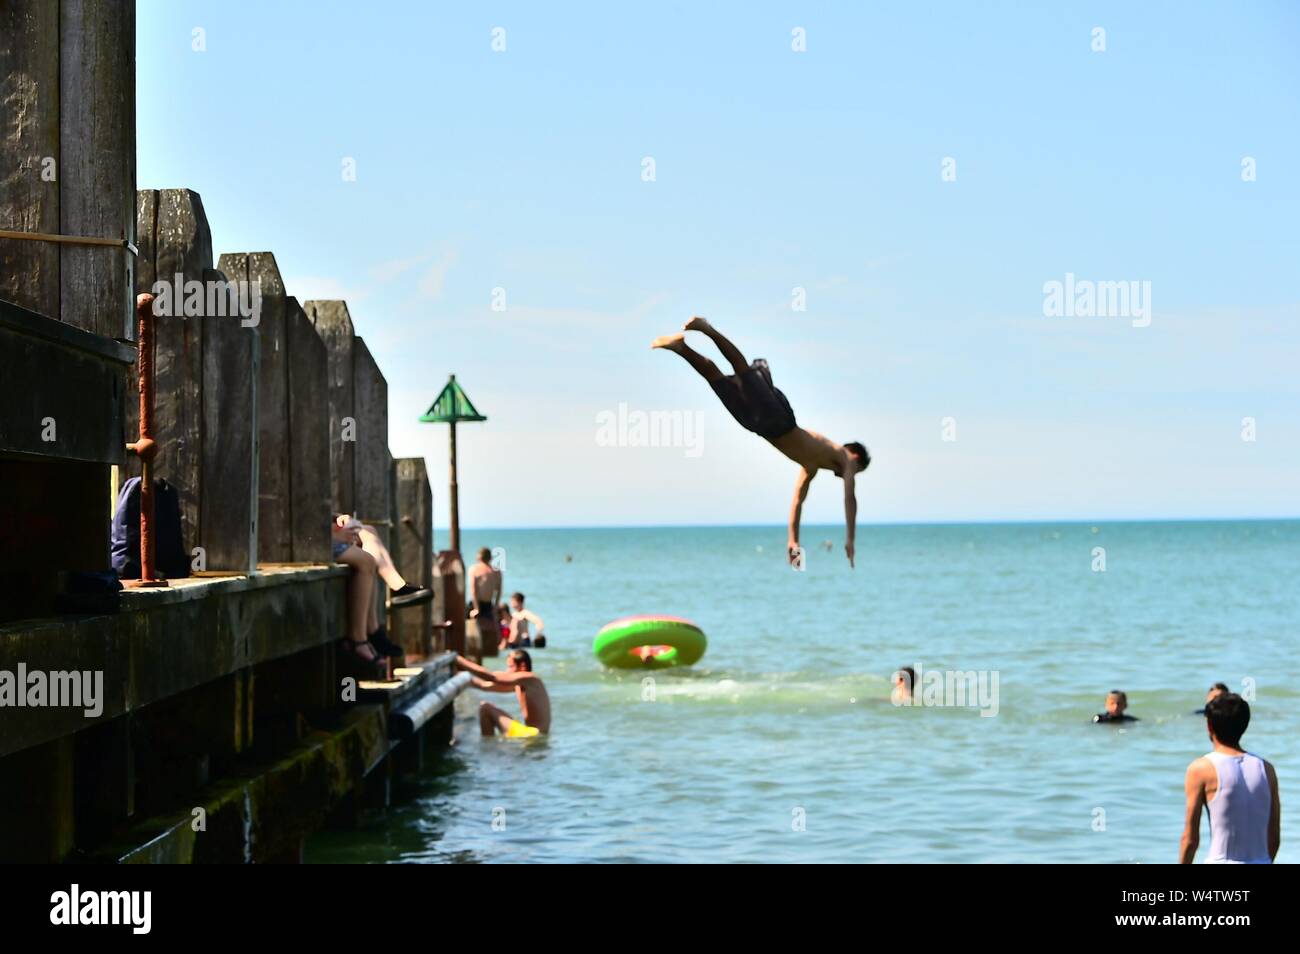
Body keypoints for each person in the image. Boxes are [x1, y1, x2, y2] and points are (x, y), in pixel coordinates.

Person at [653, 316, 869, 567]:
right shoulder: (843, 456)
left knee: (717, 380)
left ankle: (681, 348)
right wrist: (851, 539)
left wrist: (792, 542)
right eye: (857, 470)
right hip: (780, 418)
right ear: (855, 457)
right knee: (743, 370)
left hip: (759, 427)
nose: (850, 476)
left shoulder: (810, 467)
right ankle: (707, 329)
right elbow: (850, 499)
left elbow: (798, 502)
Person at [1179, 693, 1280, 863]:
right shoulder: (1266, 769)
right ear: (1245, 724)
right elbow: (1274, 838)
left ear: (1209, 726)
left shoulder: (1201, 769)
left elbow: (1190, 840)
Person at [334, 514, 432, 608]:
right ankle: (397, 587)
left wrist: (339, 518)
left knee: (369, 531)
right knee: (367, 559)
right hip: (322, 544)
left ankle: (397, 585)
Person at [331, 520, 387, 674]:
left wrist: (339, 521)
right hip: (312, 541)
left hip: (322, 533)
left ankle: (372, 628)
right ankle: (358, 639)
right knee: (367, 560)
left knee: (369, 533)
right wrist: (334, 530)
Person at [455, 650, 551, 738]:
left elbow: (492, 677)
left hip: (534, 734)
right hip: (531, 734)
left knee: (485, 708)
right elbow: (484, 685)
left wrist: (458, 659)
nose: (507, 671)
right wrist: (457, 676)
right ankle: (491, 750)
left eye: (510, 667)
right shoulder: (518, 685)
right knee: (485, 708)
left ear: (522, 666)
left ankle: (489, 751)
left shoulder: (531, 679)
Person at [467, 547, 502, 649]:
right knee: (493, 632)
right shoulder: (496, 571)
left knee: (471, 632)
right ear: (490, 557)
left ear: (479, 557)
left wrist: (476, 608)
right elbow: (499, 591)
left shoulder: (474, 569)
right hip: (488, 604)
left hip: (476, 604)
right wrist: (495, 606)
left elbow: (473, 590)